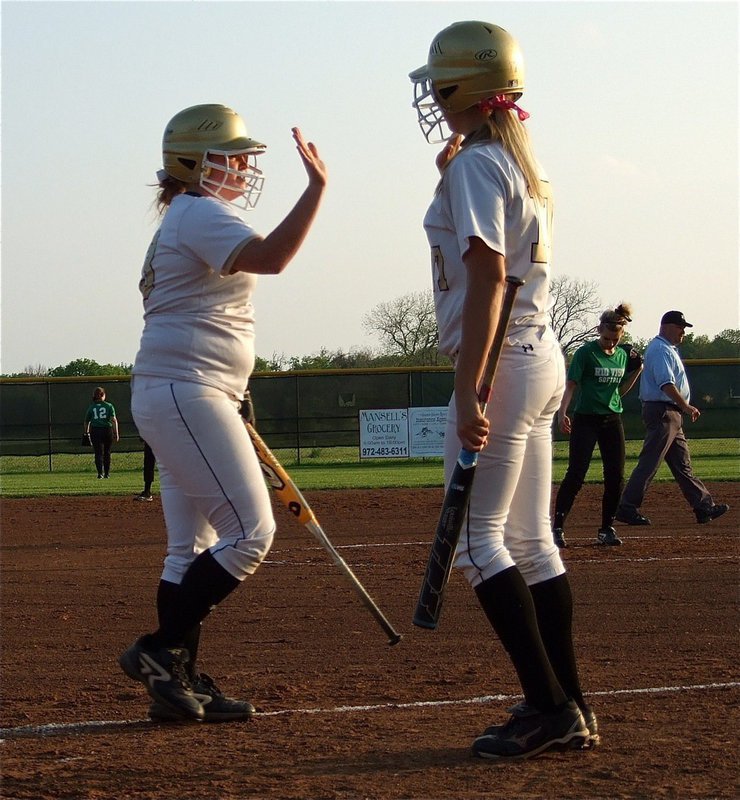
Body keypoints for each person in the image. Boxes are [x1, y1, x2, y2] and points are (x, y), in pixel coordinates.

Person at [410, 21, 594, 760]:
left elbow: (486, 276)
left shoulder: (478, 168)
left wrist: (467, 385)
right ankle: (568, 703)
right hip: (537, 353)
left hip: (503, 362)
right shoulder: (515, 164)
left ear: (463, 88)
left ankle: (551, 707)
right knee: (532, 541)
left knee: (480, 545)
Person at [119, 103, 327, 723]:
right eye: (229, 155)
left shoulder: (185, 216)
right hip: (189, 390)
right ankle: (158, 652)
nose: (241, 165)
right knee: (251, 533)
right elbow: (272, 257)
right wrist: (317, 191)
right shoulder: (199, 213)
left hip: (181, 391)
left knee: (191, 548)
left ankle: (175, 683)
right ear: (193, 162)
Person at [615, 311, 729, 527]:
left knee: (682, 465)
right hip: (662, 411)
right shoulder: (659, 350)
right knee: (650, 461)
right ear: (666, 326)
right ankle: (627, 507)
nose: (683, 332)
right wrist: (685, 405)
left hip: (670, 413)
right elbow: (665, 384)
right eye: (680, 327)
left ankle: (703, 507)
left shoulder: (667, 349)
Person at [551, 304, 642, 548]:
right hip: (586, 418)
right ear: (599, 330)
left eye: (615, 339)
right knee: (576, 474)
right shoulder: (586, 353)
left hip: (612, 419)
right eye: (606, 338)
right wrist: (562, 413)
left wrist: (637, 371)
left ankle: (606, 529)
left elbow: (620, 388)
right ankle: (557, 528)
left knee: (615, 477)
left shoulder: (622, 355)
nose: (610, 343)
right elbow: (571, 385)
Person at [83, 387, 119, 479]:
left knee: (98, 452)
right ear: (103, 395)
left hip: (95, 430)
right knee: (107, 452)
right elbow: (113, 420)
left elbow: (86, 421)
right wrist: (116, 433)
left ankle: (100, 473)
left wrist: (86, 433)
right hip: (107, 430)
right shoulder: (109, 406)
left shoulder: (92, 407)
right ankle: (107, 473)